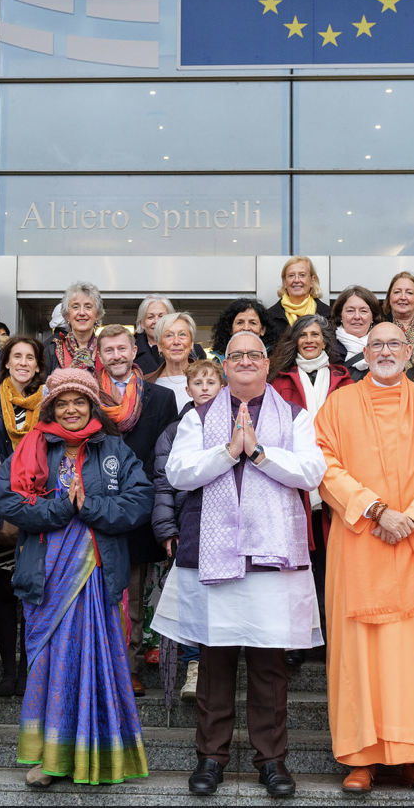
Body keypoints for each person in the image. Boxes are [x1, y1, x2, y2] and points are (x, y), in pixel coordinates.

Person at [153, 330, 327, 799]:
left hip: (272, 558)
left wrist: (261, 454)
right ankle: (211, 758)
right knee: (215, 659)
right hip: (214, 554)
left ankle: (271, 761)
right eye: (237, 356)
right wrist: (229, 451)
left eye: (254, 354)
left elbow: (312, 471)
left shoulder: (294, 415)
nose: (246, 361)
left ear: (268, 364)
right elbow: (179, 472)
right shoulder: (200, 414)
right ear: (224, 366)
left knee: (270, 664)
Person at [315, 321, 414, 794]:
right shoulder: (337, 405)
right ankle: (362, 757)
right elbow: (324, 466)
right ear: (365, 351)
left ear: (408, 351)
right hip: (360, 545)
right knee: (360, 656)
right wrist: (378, 510)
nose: (384, 350)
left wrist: (411, 516)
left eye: (393, 344)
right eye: (375, 343)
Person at [0, 369, 153, 788]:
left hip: (97, 574)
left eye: (78, 401)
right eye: (61, 403)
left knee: (98, 660)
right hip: (47, 576)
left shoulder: (114, 449)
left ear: (91, 405)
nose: (70, 410)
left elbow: (140, 501)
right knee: (51, 663)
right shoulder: (32, 448)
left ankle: (100, 757)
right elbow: (8, 500)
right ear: (49, 408)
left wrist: (91, 508)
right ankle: (52, 758)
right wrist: (60, 509)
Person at [95, 323, 178, 694]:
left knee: (133, 596)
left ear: (134, 351)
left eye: (121, 349)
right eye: (108, 350)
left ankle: (127, 667)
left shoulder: (160, 398)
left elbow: (164, 456)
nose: (116, 356)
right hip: (96, 507)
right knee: (95, 593)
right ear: (101, 355)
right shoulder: (87, 396)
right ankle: (96, 665)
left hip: (138, 507)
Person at [269, 312, 353, 665]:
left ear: (326, 340)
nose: (310, 341)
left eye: (316, 335)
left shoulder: (346, 381)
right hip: (296, 485)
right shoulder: (279, 381)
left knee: (336, 569)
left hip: (338, 481)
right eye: (303, 335)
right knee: (298, 569)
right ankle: (299, 643)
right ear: (294, 341)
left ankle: (335, 643)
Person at [0, 333, 47, 697]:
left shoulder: (47, 399)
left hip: (40, 503)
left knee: (33, 591)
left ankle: (28, 668)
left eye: (29, 357)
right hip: (3, 501)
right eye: (16, 356)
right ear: (6, 362)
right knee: (5, 589)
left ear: (37, 364)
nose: (22, 363)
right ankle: (8, 671)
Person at [150, 359, 226, 701]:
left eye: (212, 382)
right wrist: (167, 529)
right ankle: (194, 668)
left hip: (225, 522)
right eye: (199, 383)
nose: (205, 388)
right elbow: (164, 482)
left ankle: (220, 667)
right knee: (192, 600)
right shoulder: (173, 430)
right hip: (188, 522)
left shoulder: (233, 424)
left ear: (223, 387)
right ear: (188, 389)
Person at [134, 294, 206, 373]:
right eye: (150, 317)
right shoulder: (131, 353)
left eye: (162, 316)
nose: (157, 321)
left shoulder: (194, 350)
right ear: (142, 324)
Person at [146, 311, 201, 411]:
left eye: (182, 334)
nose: (176, 341)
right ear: (159, 346)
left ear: (192, 344)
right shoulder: (145, 383)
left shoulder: (212, 379)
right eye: (169, 335)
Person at [45, 281, 104, 373]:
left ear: (97, 314)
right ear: (67, 315)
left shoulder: (106, 350)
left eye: (88, 307)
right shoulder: (51, 352)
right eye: (75, 307)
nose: (81, 313)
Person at [269, 256, 332, 333]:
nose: (296, 280)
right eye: (291, 275)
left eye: (302, 275)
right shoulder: (269, 317)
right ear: (284, 282)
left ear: (312, 280)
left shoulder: (329, 316)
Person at [330, 285, 380, 379]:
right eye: (350, 311)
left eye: (363, 311)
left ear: (372, 317)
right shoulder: (327, 349)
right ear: (340, 315)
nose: (357, 316)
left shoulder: (385, 349)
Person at [380, 271, 414, 365]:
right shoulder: (378, 329)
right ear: (389, 298)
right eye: (397, 292)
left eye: (409, 293)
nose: (403, 297)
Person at [212, 296, 283, 359]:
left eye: (253, 323)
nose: (246, 328)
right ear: (230, 329)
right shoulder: (217, 364)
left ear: (262, 330)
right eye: (240, 322)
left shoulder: (276, 361)